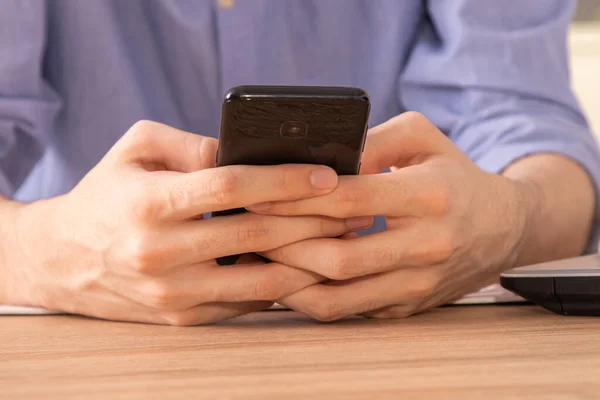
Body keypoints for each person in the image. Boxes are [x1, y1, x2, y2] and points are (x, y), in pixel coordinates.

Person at [0, 0, 599, 325]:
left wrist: (511, 219)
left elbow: (525, 118)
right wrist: (38, 249)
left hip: (395, 339)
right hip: (92, 345)